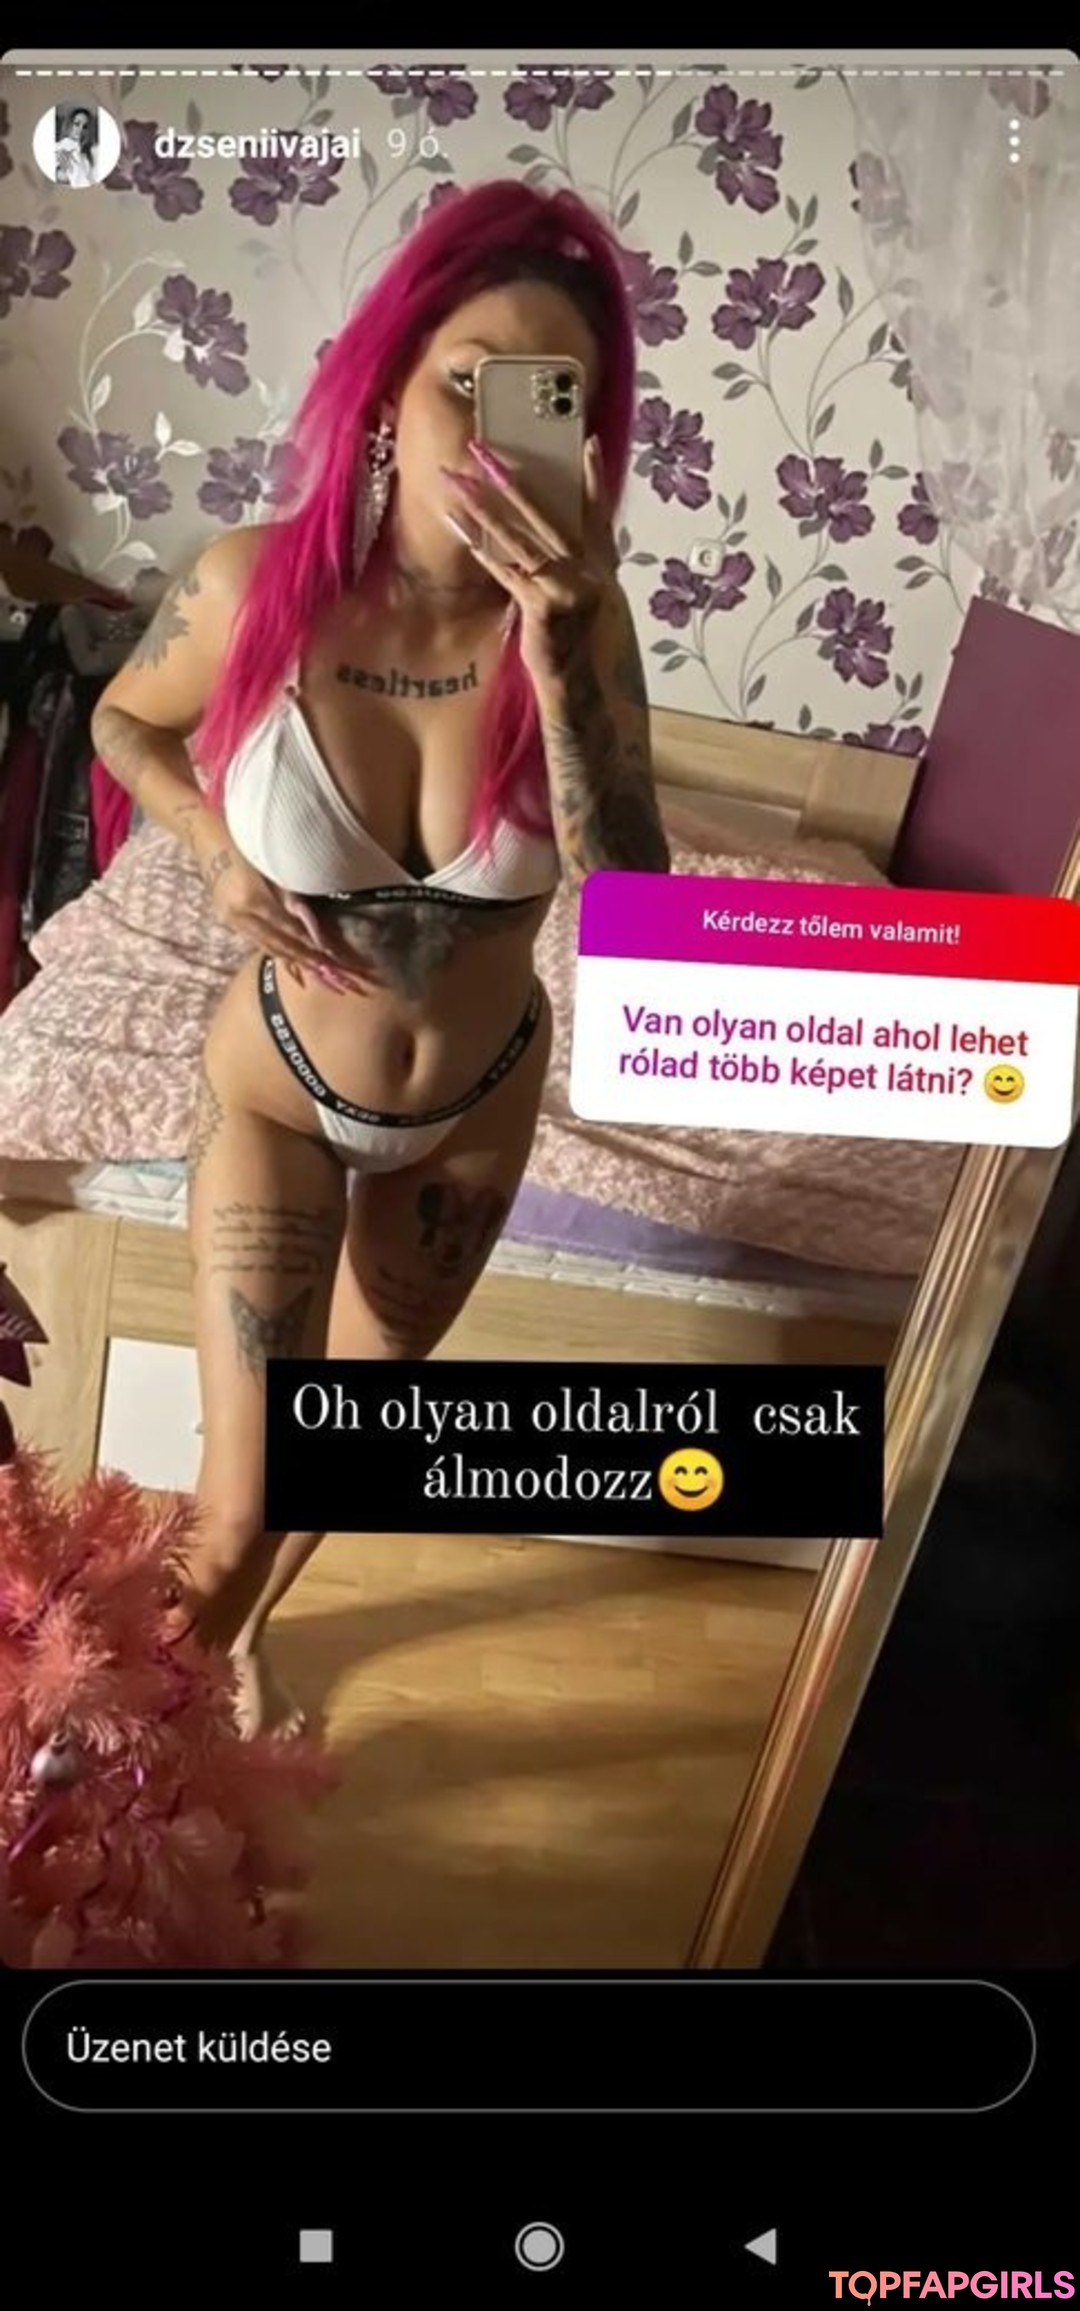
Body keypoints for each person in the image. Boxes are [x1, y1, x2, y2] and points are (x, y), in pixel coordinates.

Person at [91, 180, 670, 1737]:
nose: (493, 434)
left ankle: (239, 1651)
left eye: (547, 398)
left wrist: (563, 653)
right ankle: (133, 1781)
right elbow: (125, 718)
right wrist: (213, 850)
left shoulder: (588, 632)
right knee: (233, 1506)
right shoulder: (253, 586)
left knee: (337, 1458)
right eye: (465, 382)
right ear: (387, 390)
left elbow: (635, 902)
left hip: (474, 1107)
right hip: (279, 1092)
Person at [53, 105, 98, 188]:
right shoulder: (61, 145)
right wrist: (62, 170)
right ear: (69, 124)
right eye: (77, 124)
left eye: (85, 126)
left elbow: (90, 178)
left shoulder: (89, 150)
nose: (80, 129)